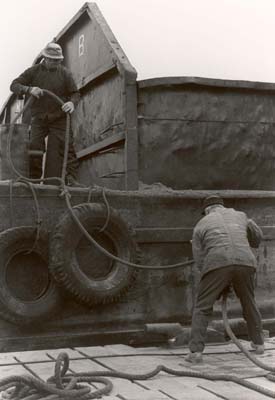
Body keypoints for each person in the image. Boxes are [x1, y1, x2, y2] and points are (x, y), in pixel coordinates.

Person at [186, 195, 264, 363]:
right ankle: (259, 344)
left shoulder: (201, 224)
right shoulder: (241, 215)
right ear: (222, 206)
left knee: (202, 307)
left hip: (217, 262)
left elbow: (199, 259)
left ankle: (195, 353)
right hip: (246, 261)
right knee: (249, 301)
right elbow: (257, 236)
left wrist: (217, 282)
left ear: (207, 210)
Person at [10, 42, 82, 186]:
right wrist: (29, 89)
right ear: (45, 58)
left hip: (59, 118)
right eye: (52, 60)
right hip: (39, 118)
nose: (55, 63)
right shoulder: (33, 71)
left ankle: (70, 180)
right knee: (34, 148)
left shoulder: (65, 73)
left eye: (58, 60)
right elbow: (14, 85)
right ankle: (34, 182)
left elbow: (75, 93)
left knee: (67, 148)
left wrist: (72, 103)